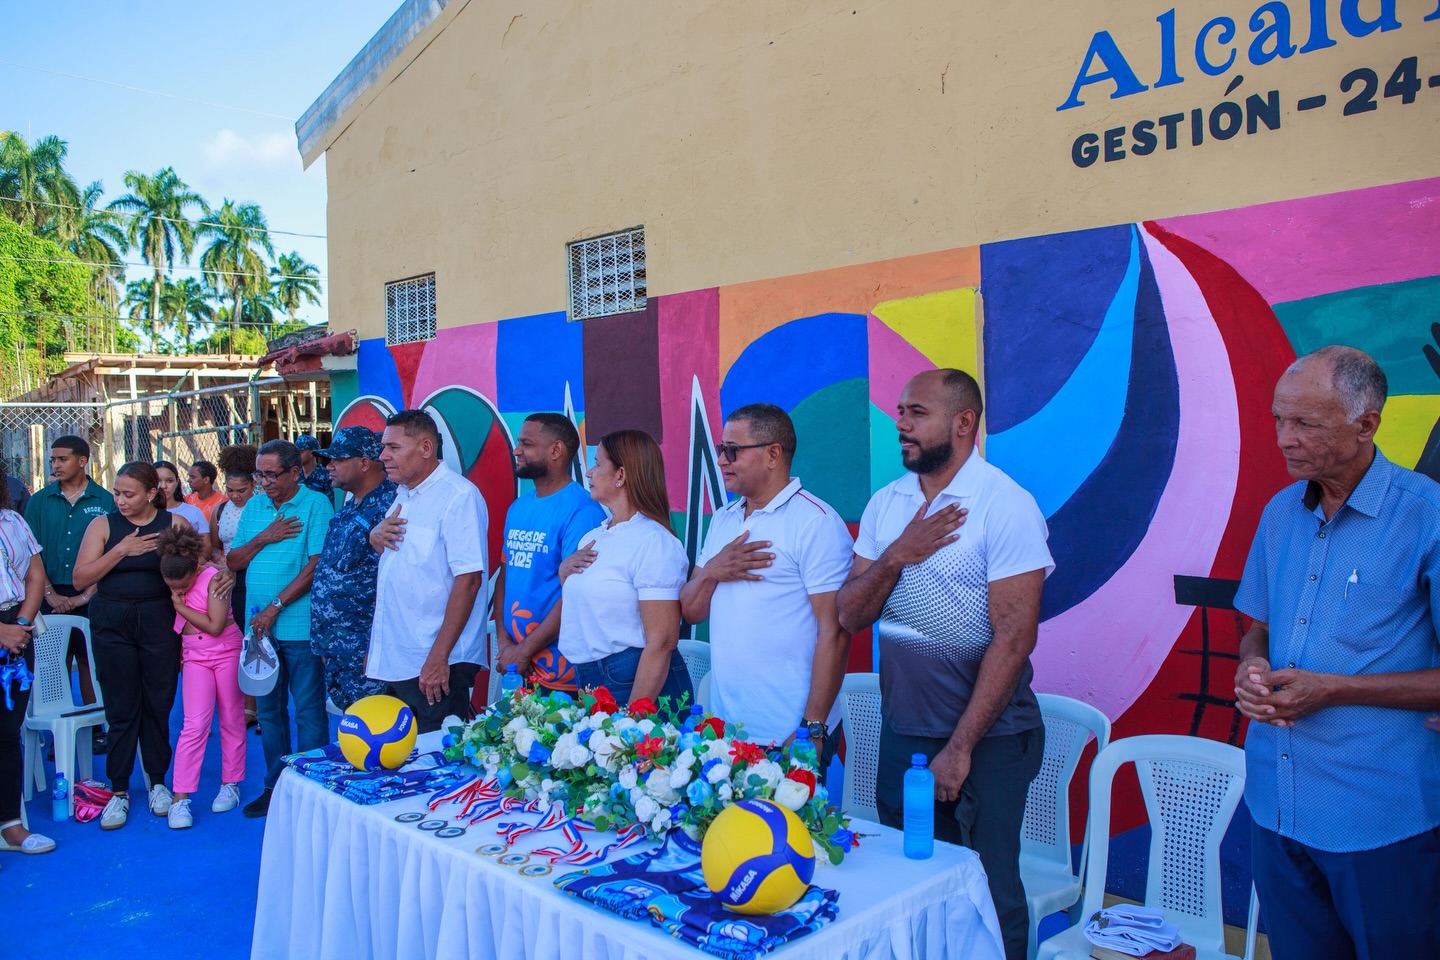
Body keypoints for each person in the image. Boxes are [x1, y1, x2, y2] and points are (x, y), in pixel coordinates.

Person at [836, 369, 1053, 960]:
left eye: (916, 412)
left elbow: (1014, 637)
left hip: (988, 739)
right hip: (904, 729)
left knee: (989, 888)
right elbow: (851, 614)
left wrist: (959, 748)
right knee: (908, 882)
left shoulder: (1004, 506)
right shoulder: (889, 504)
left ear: (963, 423)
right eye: (900, 411)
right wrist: (896, 556)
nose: (900, 423)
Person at [1232, 346, 1440, 960]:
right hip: (1277, 804)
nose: (1285, 440)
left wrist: (1336, 689)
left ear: (1366, 423)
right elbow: (1258, 628)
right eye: (1278, 420)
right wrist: (1252, 666)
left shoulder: (1426, 516)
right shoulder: (1279, 514)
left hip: (1381, 819)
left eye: (1306, 425)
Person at [680, 404, 853, 757]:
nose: (722, 460)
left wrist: (812, 728)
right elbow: (691, 611)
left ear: (773, 454)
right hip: (725, 731)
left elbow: (834, 631)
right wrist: (713, 570)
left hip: (791, 734)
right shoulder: (724, 519)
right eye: (719, 450)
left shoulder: (815, 522)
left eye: (732, 450)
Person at [72, 462, 196, 830]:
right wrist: (121, 550)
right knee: (121, 706)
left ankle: (157, 781)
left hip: (159, 620)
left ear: (151, 493)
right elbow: (81, 578)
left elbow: (192, 574)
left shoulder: (174, 524)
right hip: (112, 621)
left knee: (158, 703)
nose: (121, 501)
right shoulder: (104, 525)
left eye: (129, 494)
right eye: (117, 493)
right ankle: (119, 790)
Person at [227, 439, 333, 818]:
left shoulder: (316, 503)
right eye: (260, 474)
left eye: (272, 474)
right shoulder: (254, 506)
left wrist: (276, 606)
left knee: (307, 710)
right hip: (259, 632)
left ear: (295, 472)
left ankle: (315, 789)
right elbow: (234, 559)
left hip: (298, 628)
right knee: (269, 713)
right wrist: (265, 536)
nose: (265, 482)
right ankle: (277, 787)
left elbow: (317, 565)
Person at [367, 411, 486, 731]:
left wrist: (438, 658)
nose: (383, 456)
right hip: (402, 659)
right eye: (383, 447)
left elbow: (469, 580)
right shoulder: (403, 495)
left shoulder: (457, 496)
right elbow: (406, 562)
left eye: (393, 447)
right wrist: (374, 537)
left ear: (425, 447)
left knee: (439, 767)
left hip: (435, 662)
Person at [557, 430, 692, 707]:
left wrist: (634, 716)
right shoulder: (595, 536)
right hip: (588, 677)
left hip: (633, 679)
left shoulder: (654, 541)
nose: (589, 473)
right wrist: (563, 574)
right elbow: (591, 609)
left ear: (621, 475)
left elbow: (662, 642)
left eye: (597, 464)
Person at [494, 413, 607, 695]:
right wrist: (505, 645)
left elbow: (576, 593)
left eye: (526, 444)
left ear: (556, 450)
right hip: (518, 668)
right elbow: (505, 577)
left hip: (563, 675)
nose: (517, 450)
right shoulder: (518, 507)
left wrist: (523, 651)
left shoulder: (583, 511)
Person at [156, 525, 245, 829]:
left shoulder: (214, 578)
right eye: (173, 587)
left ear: (195, 568)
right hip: (194, 655)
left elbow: (215, 624)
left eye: (183, 585)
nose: (178, 591)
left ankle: (230, 782)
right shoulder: (174, 570)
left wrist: (179, 605)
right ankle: (181, 798)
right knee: (193, 725)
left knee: (232, 718)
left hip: (225, 652)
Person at [25, 435, 113, 719]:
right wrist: (49, 593)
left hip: (95, 592)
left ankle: (97, 723)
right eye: (53, 460)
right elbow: (30, 551)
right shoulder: (39, 501)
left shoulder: (106, 500)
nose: (56, 465)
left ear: (82, 460)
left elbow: (114, 553)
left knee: (91, 659)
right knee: (52, 661)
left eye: (62, 459)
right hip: (46, 591)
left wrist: (85, 596)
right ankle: (56, 723)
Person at [310, 427, 394, 711]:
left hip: (367, 648)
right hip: (338, 646)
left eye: (338, 459)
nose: (329, 466)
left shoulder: (392, 505)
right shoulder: (349, 508)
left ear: (364, 462)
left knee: (374, 733)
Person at [0, 464, 56, 856]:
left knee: (7, 732)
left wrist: (19, 624)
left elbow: (35, 575)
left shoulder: (13, 520)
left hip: (16, 631)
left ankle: (10, 827)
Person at [208, 444, 258, 731]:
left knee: (259, 641)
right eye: (231, 490)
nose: (235, 495)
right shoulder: (221, 509)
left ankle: (263, 705)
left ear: (253, 485)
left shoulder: (261, 507)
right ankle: (247, 706)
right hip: (231, 579)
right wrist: (224, 561)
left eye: (241, 490)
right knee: (241, 642)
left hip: (256, 577)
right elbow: (214, 548)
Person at [154, 461, 209, 535]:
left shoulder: (193, 512)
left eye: (169, 481)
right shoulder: (141, 511)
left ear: (176, 482)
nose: (163, 486)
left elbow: (205, 545)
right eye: (158, 481)